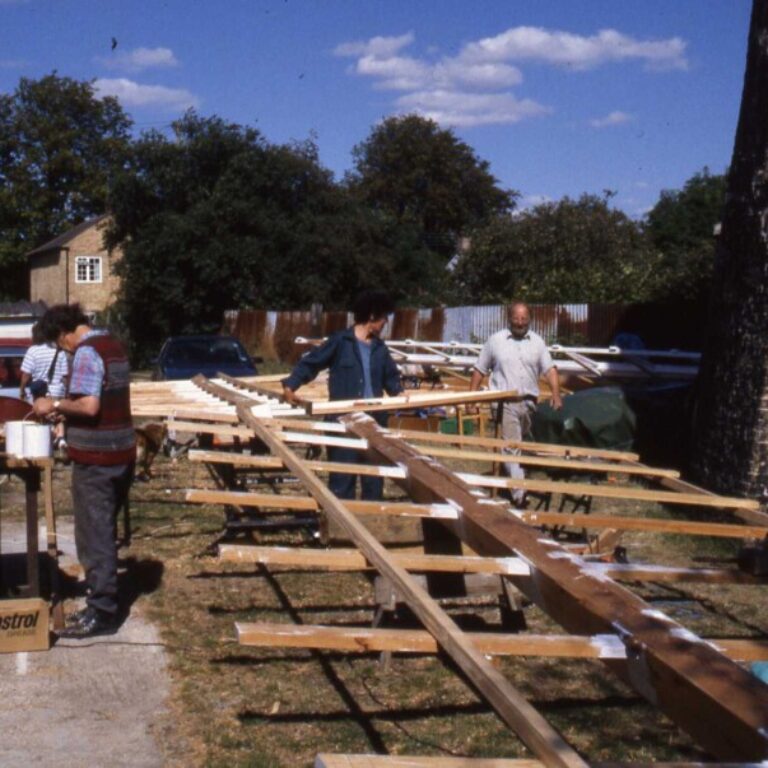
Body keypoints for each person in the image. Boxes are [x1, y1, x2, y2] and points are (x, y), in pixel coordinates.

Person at [34, 304, 136, 638]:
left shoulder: (87, 352)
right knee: (104, 531)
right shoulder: (112, 344)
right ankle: (103, 601)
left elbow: (89, 407)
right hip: (121, 450)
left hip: (97, 457)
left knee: (94, 536)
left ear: (64, 334)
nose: (61, 348)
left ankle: (103, 612)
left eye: (57, 342)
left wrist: (56, 405)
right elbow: (103, 400)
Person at [282, 291, 402, 500]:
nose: (385, 323)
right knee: (342, 478)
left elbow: (392, 380)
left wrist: (403, 395)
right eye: (384, 318)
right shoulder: (340, 342)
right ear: (372, 316)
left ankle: (371, 523)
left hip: (374, 423)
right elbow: (312, 362)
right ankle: (341, 528)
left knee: (373, 480)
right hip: (343, 423)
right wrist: (290, 386)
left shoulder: (380, 349)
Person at [470, 302, 562, 506]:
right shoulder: (495, 341)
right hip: (505, 403)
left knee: (520, 444)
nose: (520, 322)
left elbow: (550, 369)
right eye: (516, 318)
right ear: (509, 319)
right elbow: (479, 369)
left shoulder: (537, 342)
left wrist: (556, 393)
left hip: (529, 403)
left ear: (529, 319)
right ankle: (520, 494)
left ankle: (512, 472)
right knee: (512, 445)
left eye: (524, 318)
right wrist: (472, 396)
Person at [19, 321, 69, 401]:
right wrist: (67, 393)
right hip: (58, 393)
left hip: (40, 393)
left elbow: (26, 375)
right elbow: (65, 376)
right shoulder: (59, 351)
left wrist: (22, 391)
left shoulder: (32, 351)